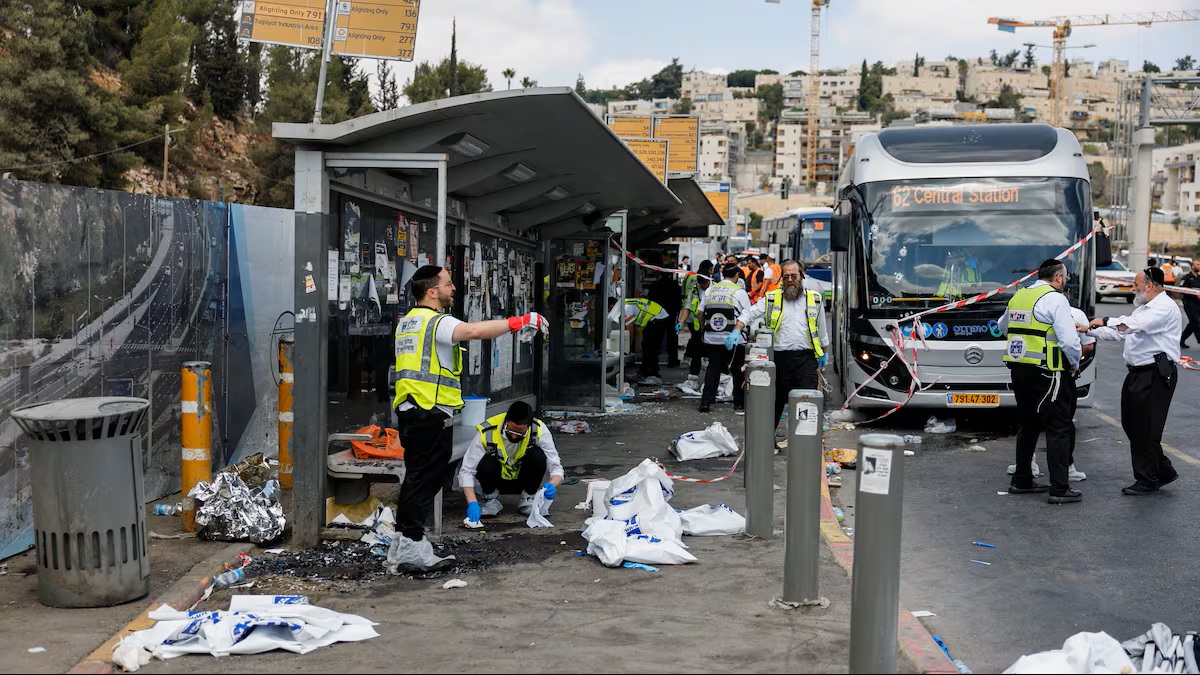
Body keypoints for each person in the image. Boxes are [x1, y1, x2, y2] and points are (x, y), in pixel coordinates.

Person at [390, 265, 549, 571]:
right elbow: (474, 332)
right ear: (432, 291)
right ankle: (411, 545)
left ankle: (405, 542)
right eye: (448, 284)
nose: (454, 289)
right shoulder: (436, 322)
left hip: (413, 411)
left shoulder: (408, 322)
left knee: (419, 478)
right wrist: (518, 321)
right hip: (428, 411)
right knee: (425, 479)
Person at [1081, 266, 1183, 495]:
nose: (1133, 287)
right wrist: (1089, 329)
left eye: (1136, 283)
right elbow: (1119, 333)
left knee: (1146, 428)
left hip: (1155, 374)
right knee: (1132, 425)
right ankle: (1162, 471)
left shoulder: (1163, 307)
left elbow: (1129, 326)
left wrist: (1104, 319)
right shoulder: (1145, 308)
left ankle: (1148, 479)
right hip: (1138, 374)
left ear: (1149, 285)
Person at [998, 259, 1083, 504]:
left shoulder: (1019, 296)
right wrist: (1075, 362)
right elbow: (1068, 340)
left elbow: (1004, 327)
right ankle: (1059, 489)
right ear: (1058, 277)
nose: (1065, 281)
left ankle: (1022, 480)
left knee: (1028, 425)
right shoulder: (1056, 298)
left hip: (1020, 369)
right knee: (1059, 427)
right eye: (1064, 277)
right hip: (1049, 371)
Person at [732, 260, 829, 436]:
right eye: (787, 277)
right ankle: (767, 442)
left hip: (806, 360)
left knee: (806, 404)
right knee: (774, 405)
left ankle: (805, 445)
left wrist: (824, 351)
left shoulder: (814, 298)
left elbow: (821, 327)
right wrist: (736, 330)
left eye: (794, 276)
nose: (791, 279)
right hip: (778, 360)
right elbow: (749, 312)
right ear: (782, 279)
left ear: (802, 276)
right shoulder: (772, 297)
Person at [460, 401, 564, 524]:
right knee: (486, 461)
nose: (514, 437)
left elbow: (556, 467)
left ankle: (528, 499)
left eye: (519, 433)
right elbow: (467, 470)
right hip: (495, 480)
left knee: (538, 456)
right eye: (511, 431)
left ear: (528, 426)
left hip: (523, 480)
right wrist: (472, 502)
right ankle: (490, 499)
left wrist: (553, 484)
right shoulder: (487, 431)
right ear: (506, 420)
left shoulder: (539, 430)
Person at [697, 264, 751, 413]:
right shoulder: (738, 292)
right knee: (737, 369)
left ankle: (706, 401)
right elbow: (748, 314)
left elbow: (700, 313)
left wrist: (703, 330)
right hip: (733, 338)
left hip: (712, 337)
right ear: (737, 276)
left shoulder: (710, 290)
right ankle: (739, 403)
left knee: (713, 368)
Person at [607, 297, 668, 384]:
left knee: (650, 348)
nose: (609, 311)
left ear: (613, 305)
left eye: (609, 308)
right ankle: (643, 373)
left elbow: (630, 330)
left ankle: (653, 375)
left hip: (658, 319)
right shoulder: (626, 304)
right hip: (657, 317)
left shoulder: (626, 307)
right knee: (646, 346)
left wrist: (628, 348)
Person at [677, 260, 714, 391]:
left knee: (713, 355)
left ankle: (713, 383)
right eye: (700, 285)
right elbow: (687, 307)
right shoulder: (695, 289)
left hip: (712, 328)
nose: (702, 287)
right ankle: (693, 380)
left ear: (709, 281)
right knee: (697, 353)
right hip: (698, 327)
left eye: (703, 285)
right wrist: (681, 322)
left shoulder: (715, 289)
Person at [648, 273, 683, 370]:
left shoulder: (655, 285)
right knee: (672, 338)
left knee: (657, 339)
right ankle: (672, 360)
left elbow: (650, 299)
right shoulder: (674, 285)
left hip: (658, 313)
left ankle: (653, 361)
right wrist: (677, 312)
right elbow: (678, 300)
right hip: (671, 313)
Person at [1179, 263, 1200, 348]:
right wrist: (1193, 293)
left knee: (1193, 323)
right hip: (1189, 303)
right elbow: (1181, 289)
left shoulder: (1199, 278)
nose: (1199, 266)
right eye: (1198, 264)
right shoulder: (1186, 278)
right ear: (1193, 266)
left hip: (1198, 303)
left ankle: (1182, 339)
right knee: (1196, 321)